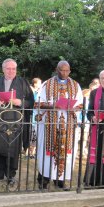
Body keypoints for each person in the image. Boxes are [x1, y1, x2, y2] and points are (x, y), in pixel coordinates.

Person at [0, 58, 34, 184]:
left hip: (15, 121)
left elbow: (31, 101)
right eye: (8, 68)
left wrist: (20, 102)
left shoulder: (23, 83)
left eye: (13, 69)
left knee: (13, 148)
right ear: (3, 69)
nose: (11, 71)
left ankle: (11, 174)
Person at [35, 60, 83, 189]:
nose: (64, 73)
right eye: (62, 70)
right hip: (50, 123)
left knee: (65, 151)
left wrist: (73, 107)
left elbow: (80, 104)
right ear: (57, 70)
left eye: (67, 70)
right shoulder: (47, 84)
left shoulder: (75, 85)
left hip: (68, 125)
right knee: (47, 151)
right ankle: (44, 178)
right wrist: (53, 105)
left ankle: (60, 180)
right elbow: (38, 103)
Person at [28, 77, 42, 158]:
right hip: (33, 117)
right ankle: (30, 152)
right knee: (32, 135)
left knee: (37, 135)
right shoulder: (32, 92)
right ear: (35, 84)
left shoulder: (39, 92)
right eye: (39, 83)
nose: (40, 84)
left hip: (39, 118)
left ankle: (35, 152)